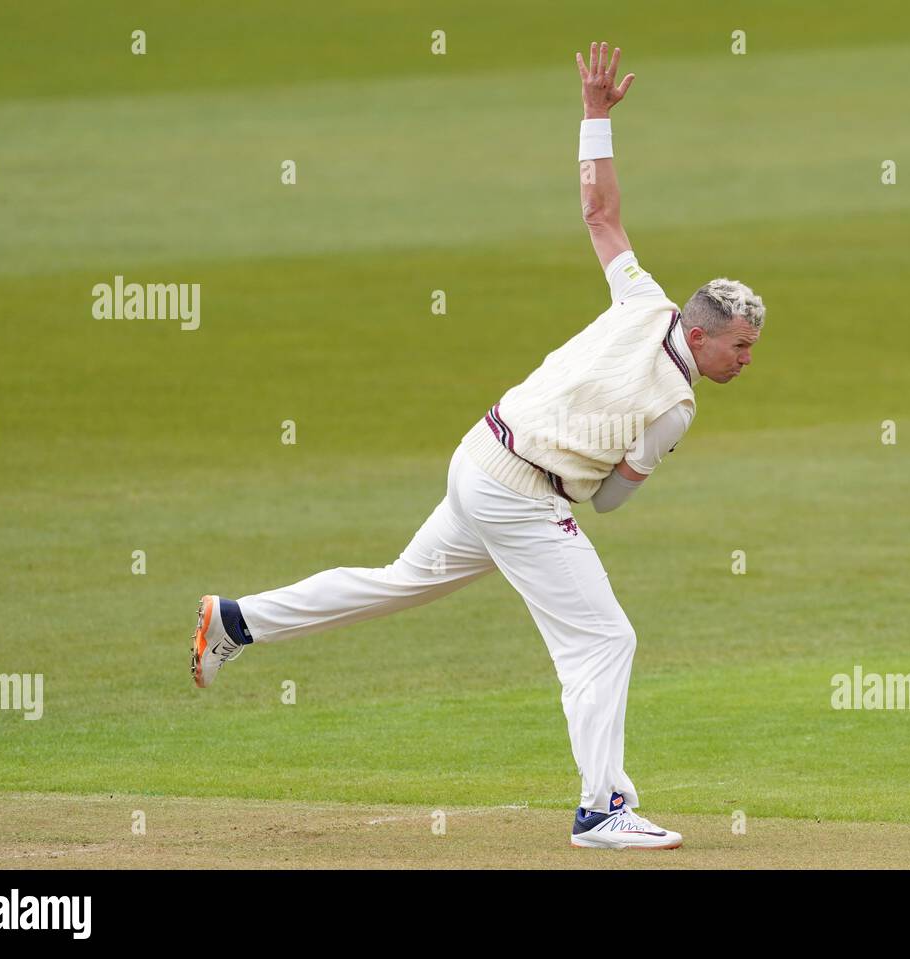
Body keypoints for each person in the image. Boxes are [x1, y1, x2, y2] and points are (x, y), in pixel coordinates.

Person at [189, 41, 765, 850]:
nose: (746, 360)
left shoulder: (644, 300)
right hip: (522, 493)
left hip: (479, 454)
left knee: (399, 582)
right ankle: (603, 808)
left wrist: (595, 114)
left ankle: (240, 621)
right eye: (739, 347)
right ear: (701, 336)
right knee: (604, 638)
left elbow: (600, 214)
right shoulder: (674, 406)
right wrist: (629, 462)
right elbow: (607, 499)